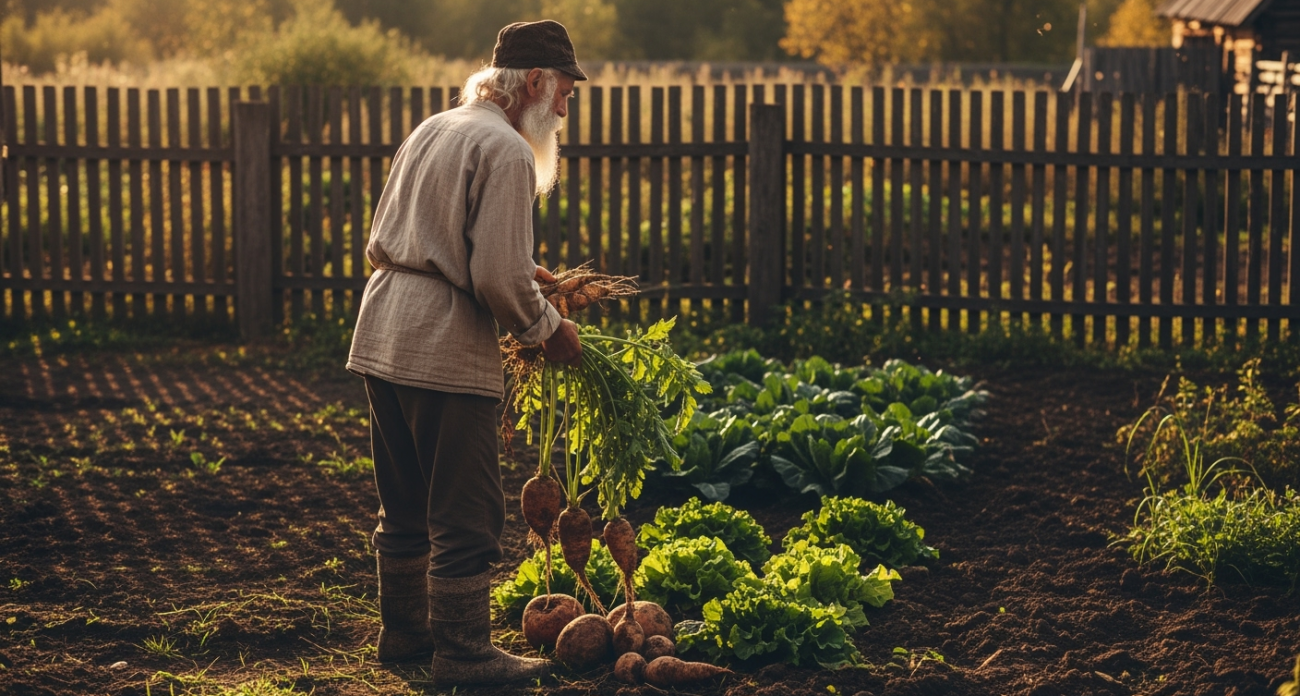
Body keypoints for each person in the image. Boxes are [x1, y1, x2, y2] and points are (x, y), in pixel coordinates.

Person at [345, 19, 586, 687]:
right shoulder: (507, 150)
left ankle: (405, 635)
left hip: (383, 328)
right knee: (466, 510)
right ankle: (464, 655)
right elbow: (493, 278)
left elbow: (444, 235)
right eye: (565, 91)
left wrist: (523, 271)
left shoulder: (437, 126)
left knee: (405, 500)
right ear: (534, 82)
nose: (565, 108)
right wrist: (548, 330)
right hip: (442, 345)